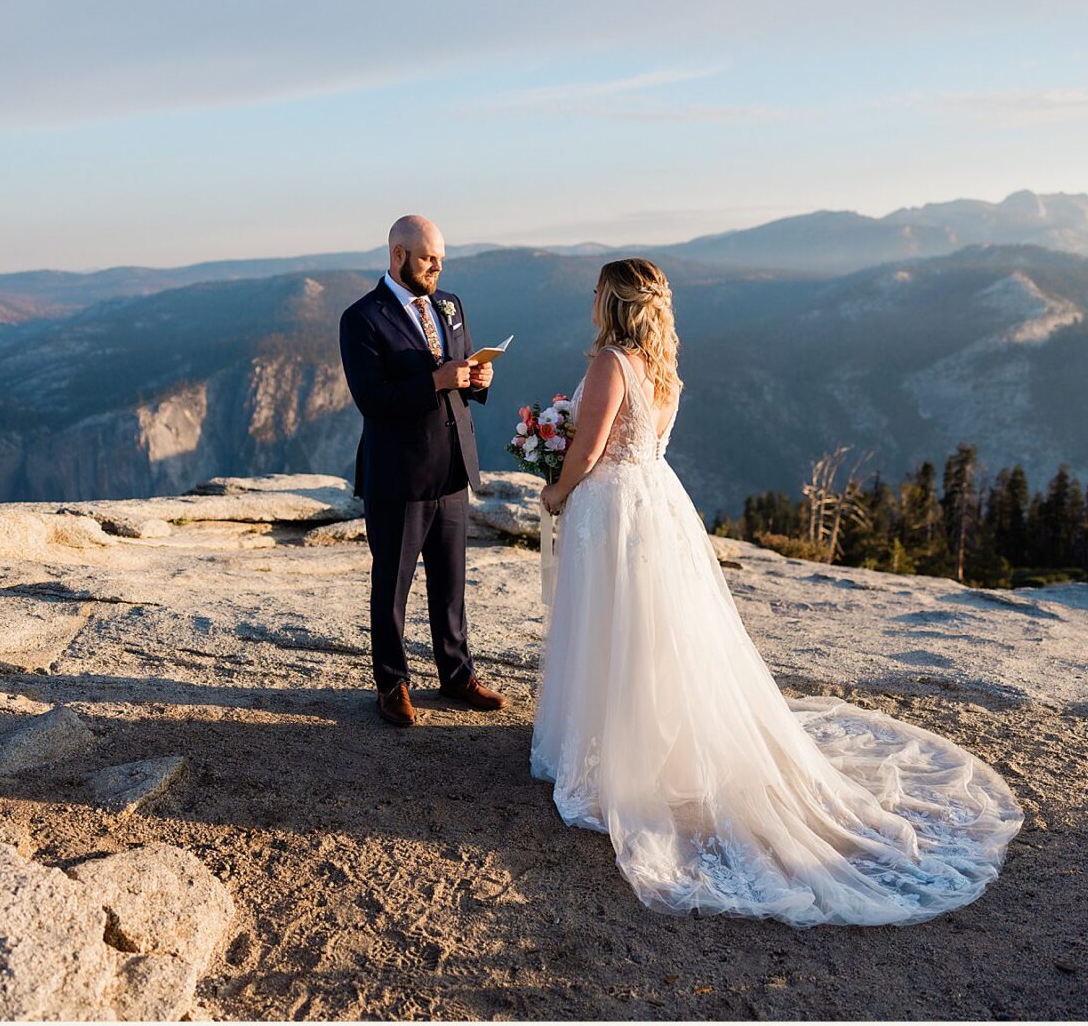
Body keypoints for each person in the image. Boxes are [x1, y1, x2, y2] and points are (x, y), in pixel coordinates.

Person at [534, 257, 1024, 926]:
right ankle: (651, 744)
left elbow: (589, 451)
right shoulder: (663, 369)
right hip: (659, 504)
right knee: (654, 633)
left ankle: (607, 751)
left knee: (609, 626)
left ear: (613, 302)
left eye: (596, 291)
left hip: (614, 508)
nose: (590, 300)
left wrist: (555, 489)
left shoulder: (608, 364)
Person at [338, 215, 508, 727]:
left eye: (441, 259)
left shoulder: (450, 305)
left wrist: (480, 378)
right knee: (392, 585)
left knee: (450, 582)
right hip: (398, 475)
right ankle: (392, 685)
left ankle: (456, 676)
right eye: (428, 258)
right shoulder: (361, 318)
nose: (437, 266)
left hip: (454, 466)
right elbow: (372, 399)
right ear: (398, 256)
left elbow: (461, 377)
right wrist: (435, 380)